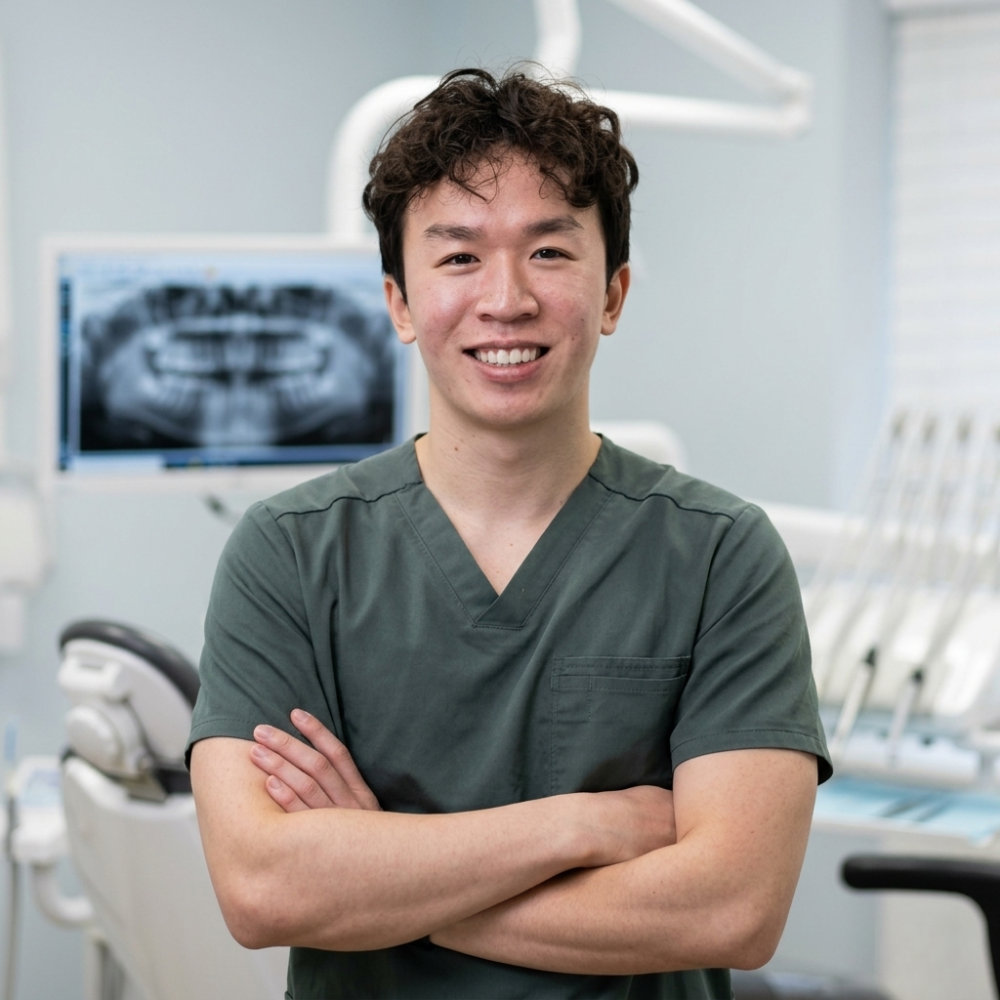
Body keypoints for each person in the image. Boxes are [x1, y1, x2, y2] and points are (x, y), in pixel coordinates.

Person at [188, 67, 832, 1000]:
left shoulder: (721, 555)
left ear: (612, 294)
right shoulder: (289, 553)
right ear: (400, 303)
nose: (506, 299)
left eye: (549, 252)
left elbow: (731, 910)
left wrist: (376, 875)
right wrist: (583, 827)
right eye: (456, 257)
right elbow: (260, 888)